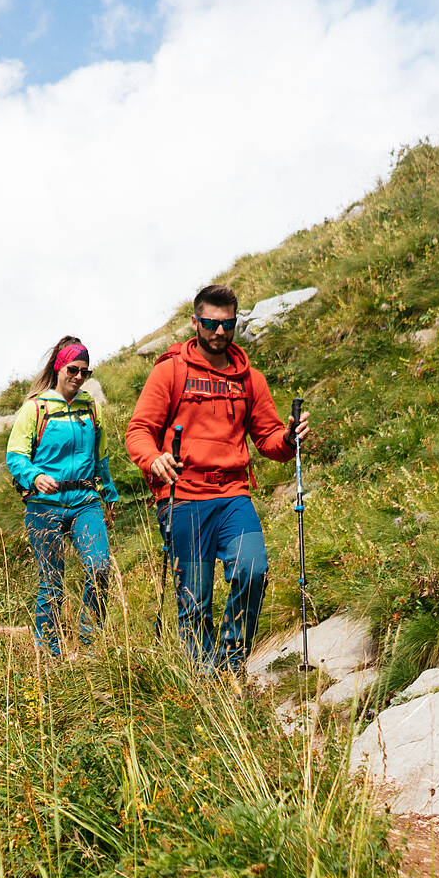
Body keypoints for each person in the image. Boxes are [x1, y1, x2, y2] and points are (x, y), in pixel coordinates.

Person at [125, 284, 312, 671]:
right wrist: (153, 459)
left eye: (227, 324)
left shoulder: (249, 380)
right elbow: (139, 430)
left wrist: (289, 438)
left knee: (252, 569)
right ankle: (205, 685)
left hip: (232, 496)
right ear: (195, 322)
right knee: (195, 602)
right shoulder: (170, 370)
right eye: (210, 323)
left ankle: (229, 666)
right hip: (181, 497)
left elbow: (268, 440)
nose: (219, 332)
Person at [6, 336, 120, 659]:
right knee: (52, 582)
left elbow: (102, 459)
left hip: (85, 501)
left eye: (85, 371)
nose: (79, 377)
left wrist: (109, 497)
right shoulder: (36, 408)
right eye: (73, 369)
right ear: (59, 366)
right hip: (44, 507)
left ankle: (89, 645)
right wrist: (35, 477)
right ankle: (51, 655)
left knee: (99, 568)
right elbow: (15, 456)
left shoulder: (90, 408)